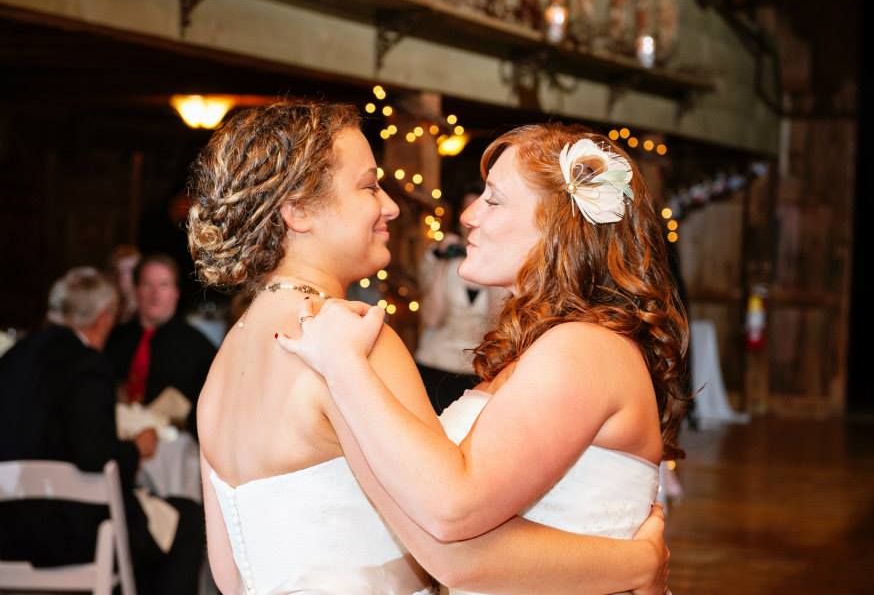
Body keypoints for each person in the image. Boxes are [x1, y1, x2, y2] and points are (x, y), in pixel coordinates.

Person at [186, 101, 670, 595]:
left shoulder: (227, 360)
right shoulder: (350, 337)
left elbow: (230, 571)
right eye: (369, 185)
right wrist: (636, 564)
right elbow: (444, 544)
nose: (465, 215)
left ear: (560, 224)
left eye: (494, 200)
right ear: (298, 211)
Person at [0, 267, 203, 595]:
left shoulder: (13, 357)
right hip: (64, 536)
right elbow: (97, 459)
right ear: (103, 317)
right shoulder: (87, 366)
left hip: (6, 528)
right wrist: (136, 449)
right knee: (187, 520)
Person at [105, 253, 216, 433]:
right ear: (136, 290)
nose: (155, 294)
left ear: (175, 293)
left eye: (164, 285)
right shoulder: (113, 339)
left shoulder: (198, 347)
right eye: (148, 284)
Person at [415, 188, 504, 412]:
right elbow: (432, 318)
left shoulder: (502, 263)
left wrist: (492, 262)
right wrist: (444, 262)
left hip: (477, 371)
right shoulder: (439, 257)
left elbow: (498, 324)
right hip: (434, 363)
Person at [107, 244, 142, 324]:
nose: (122, 276)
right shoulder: (108, 307)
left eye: (129, 270)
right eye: (118, 270)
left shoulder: (147, 308)